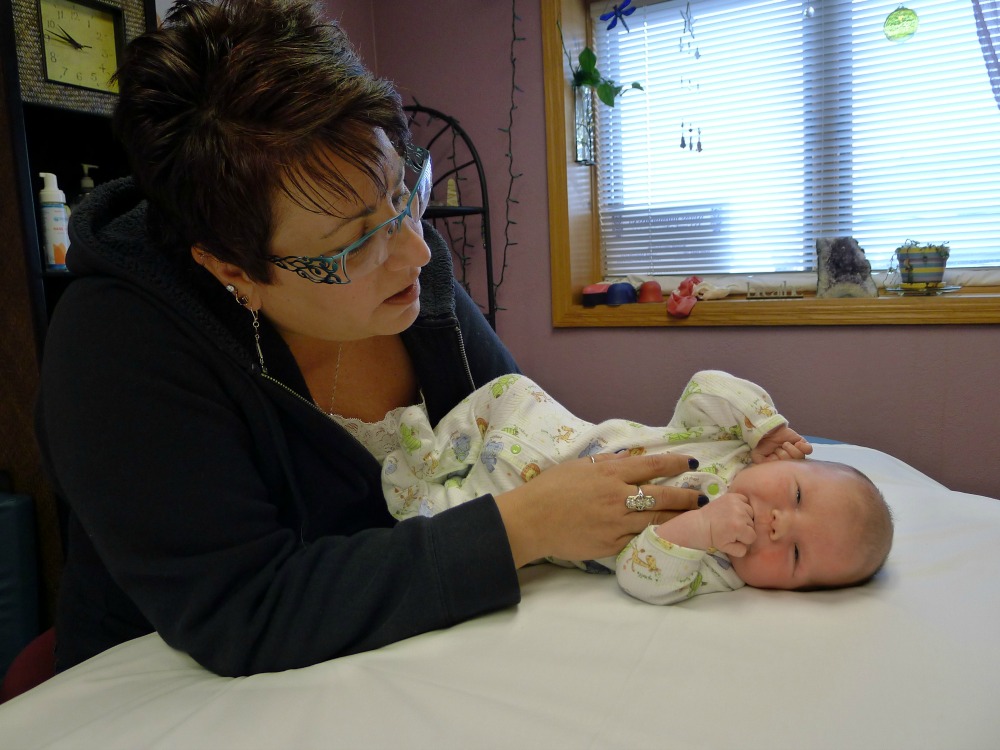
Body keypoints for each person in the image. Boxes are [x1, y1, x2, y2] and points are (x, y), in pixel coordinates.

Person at [34, 0, 702, 677]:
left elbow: (522, 435)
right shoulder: (114, 349)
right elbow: (246, 609)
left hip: (395, 657)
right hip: (157, 690)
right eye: (354, 242)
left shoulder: (407, 260)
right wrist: (520, 527)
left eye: (401, 192)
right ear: (232, 267)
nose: (416, 250)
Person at [382, 370, 894, 604]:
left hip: (525, 506)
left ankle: (417, 490)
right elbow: (703, 387)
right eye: (798, 495)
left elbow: (639, 576)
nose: (781, 525)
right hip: (555, 432)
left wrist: (699, 530)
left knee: (451, 519)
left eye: (797, 557)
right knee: (511, 388)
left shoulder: (719, 565)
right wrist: (761, 423)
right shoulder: (734, 443)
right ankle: (437, 452)